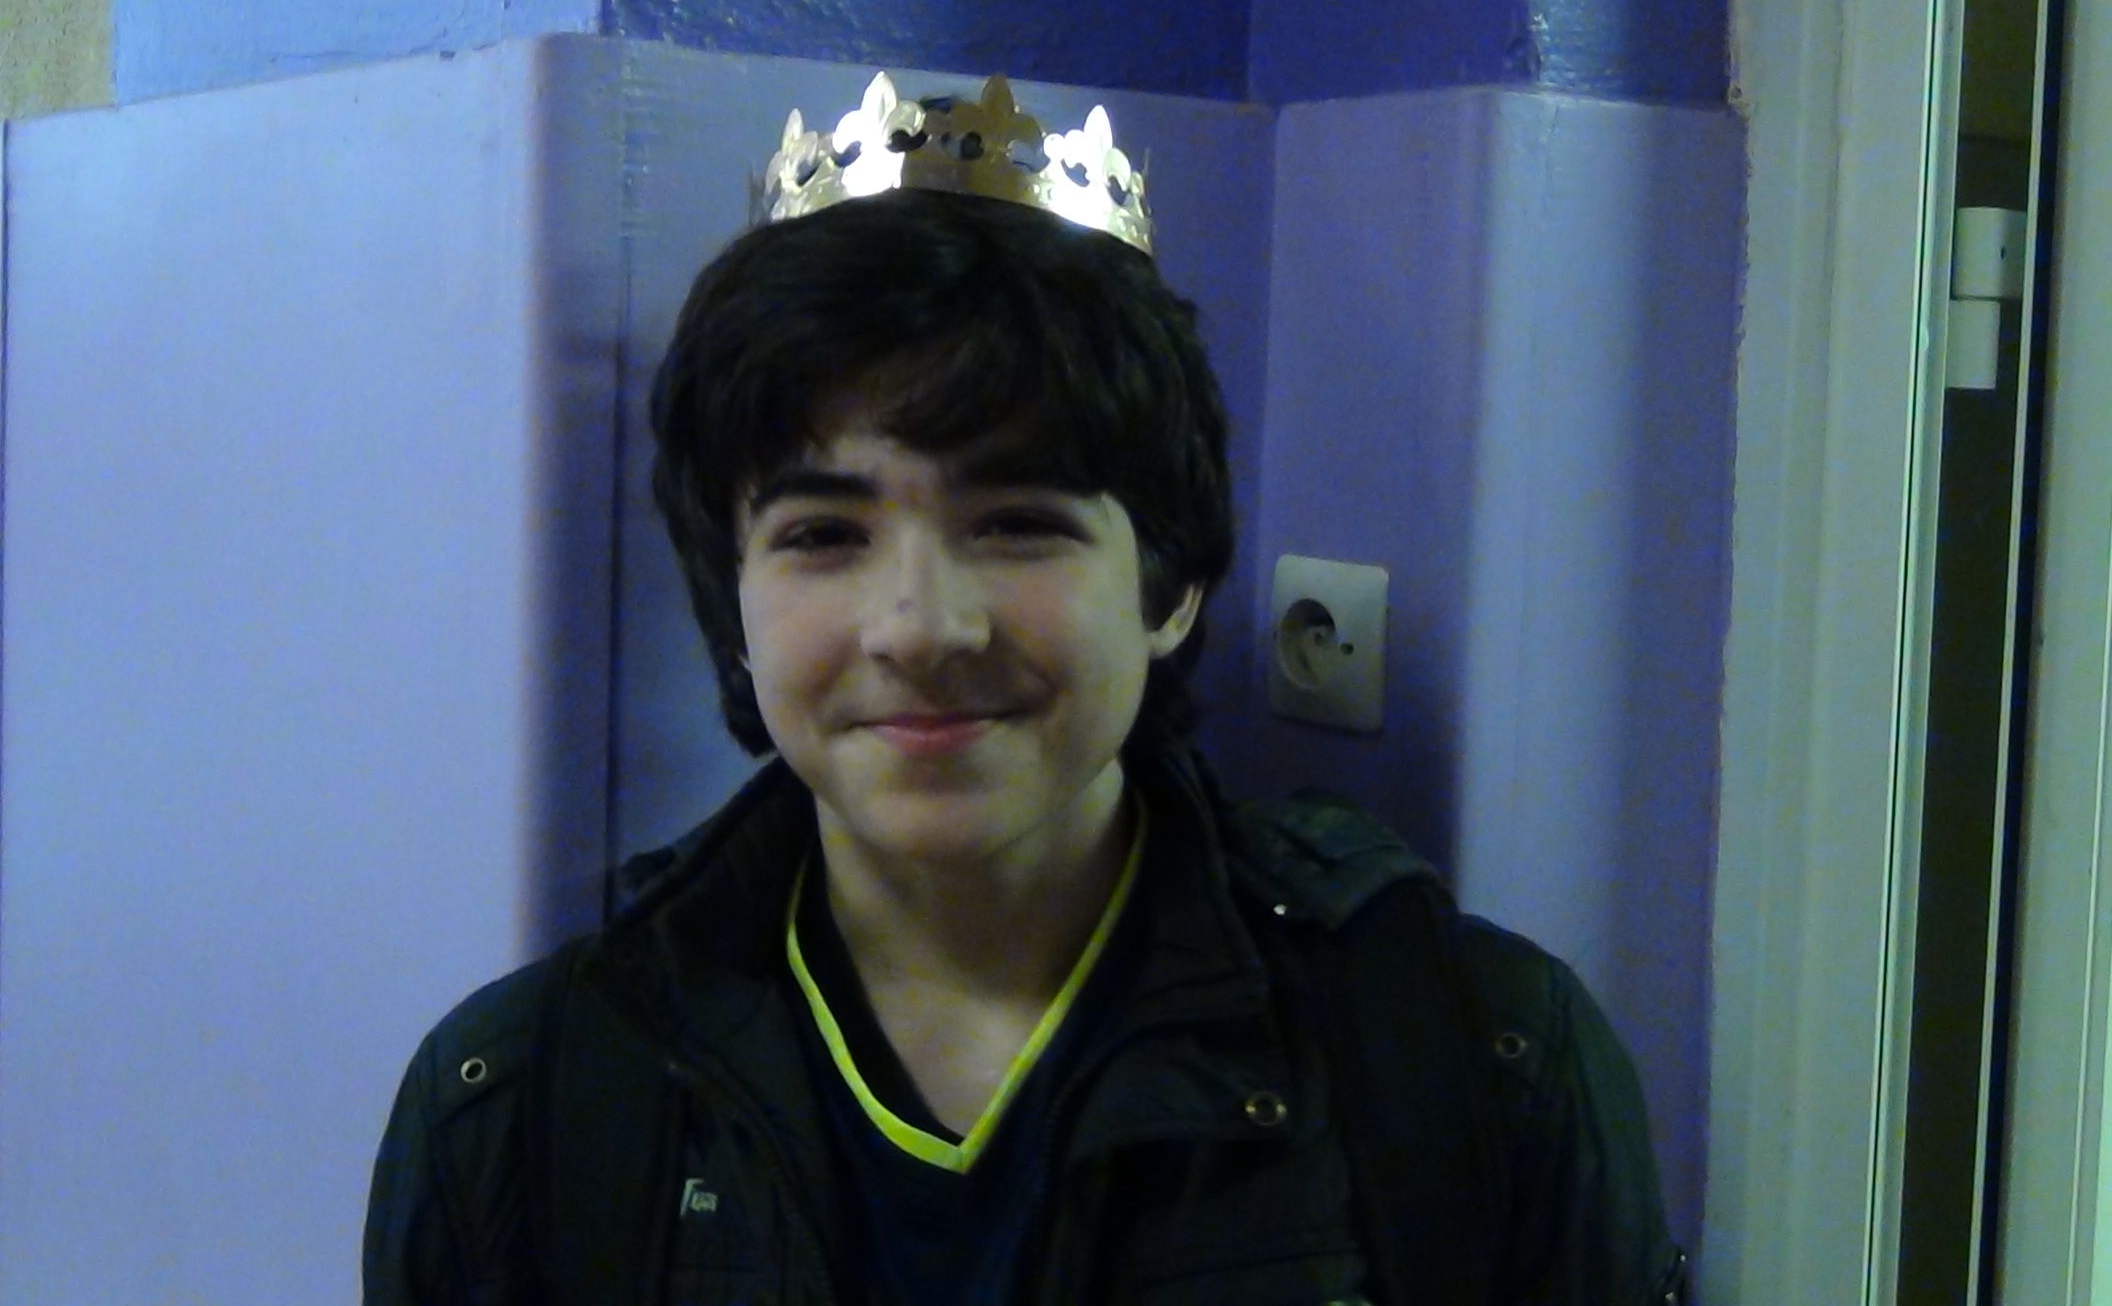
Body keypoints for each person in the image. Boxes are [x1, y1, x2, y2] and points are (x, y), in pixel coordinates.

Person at [363, 74, 1687, 1304]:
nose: (922, 627)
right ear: (737, 605)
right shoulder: (525, 1109)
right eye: (824, 534)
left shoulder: (1474, 1064)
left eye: (1017, 523)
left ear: (1169, 584)